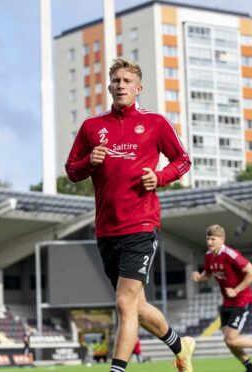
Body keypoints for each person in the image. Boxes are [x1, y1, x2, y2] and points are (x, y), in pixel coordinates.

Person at [66, 58, 194, 372]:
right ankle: (181, 345)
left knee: (124, 303)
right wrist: (89, 163)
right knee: (136, 305)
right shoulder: (91, 128)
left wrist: (160, 177)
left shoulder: (156, 123)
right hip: (106, 230)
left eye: (127, 80)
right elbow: (71, 170)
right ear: (108, 86)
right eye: (116, 80)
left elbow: (183, 159)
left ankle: (118, 370)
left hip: (141, 223)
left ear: (138, 88)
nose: (121, 85)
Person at [191, 225, 252, 372]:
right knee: (229, 342)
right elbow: (208, 274)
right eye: (207, 239)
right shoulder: (209, 256)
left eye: (213, 239)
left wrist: (236, 290)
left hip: (241, 300)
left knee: (231, 339)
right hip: (227, 302)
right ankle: (250, 368)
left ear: (222, 239)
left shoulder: (231, 254)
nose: (209, 242)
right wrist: (199, 277)